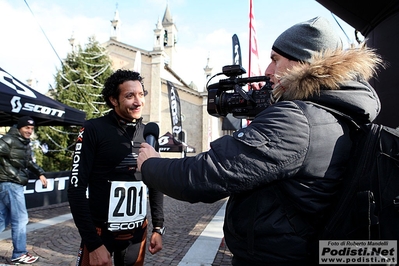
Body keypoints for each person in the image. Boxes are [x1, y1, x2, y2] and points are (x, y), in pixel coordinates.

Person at [137, 17, 383, 265]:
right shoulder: (333, 112)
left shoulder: (296, 120)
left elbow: (206, 175)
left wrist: (150, 164)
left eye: (275, 59)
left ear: (302, 63)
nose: (267, 70)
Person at [68, 69, 164, 266]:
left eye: (141, 94)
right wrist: (93, 244)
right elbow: (76, 189)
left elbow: (155, 184)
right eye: (130, 96)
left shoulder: (149, 133)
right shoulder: (93, 129)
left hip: (137, 234)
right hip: (100, 234)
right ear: (113, 100)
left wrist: (158, 227)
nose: (138, 101)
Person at [0, 116, 48, 264]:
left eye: (32, 128)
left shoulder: (23, 142)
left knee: (2, 219)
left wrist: (40, 173)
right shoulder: (8, 140)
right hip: (11, 183)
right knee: (20, 219)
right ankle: (19, 253)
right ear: (19, 127)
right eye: (27, 128)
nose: (29, 131)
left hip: (11, 184)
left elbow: (27, 162)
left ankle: (19, 253)